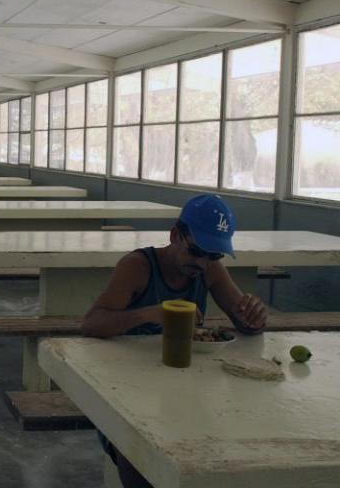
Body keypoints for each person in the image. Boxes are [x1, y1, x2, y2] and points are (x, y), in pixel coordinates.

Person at [81, 194, 268, 488]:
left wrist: (255, 317)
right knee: (136, 452)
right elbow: (92, 323)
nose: (203, 263)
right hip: (126, 384)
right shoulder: (138, 267)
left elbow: (243, 318)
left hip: (185, 384)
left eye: (214, 255)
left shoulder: (208, 270)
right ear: (174, 236)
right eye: (196, 251)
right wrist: (149, 314)